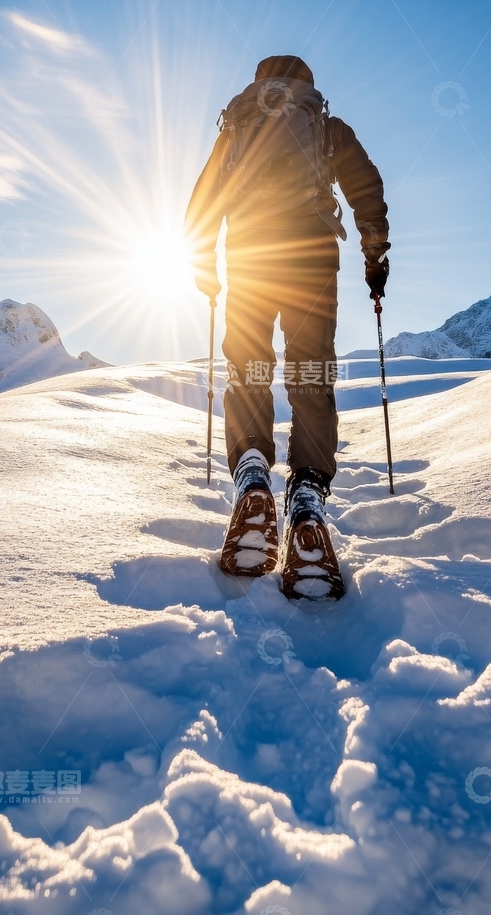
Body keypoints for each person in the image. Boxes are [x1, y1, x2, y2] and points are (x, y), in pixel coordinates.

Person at [184, 55, 389, 601]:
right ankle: (306, 501)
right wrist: (374, 252)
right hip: (312, 258)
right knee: (310, 374)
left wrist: (204, 263)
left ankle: (252, 476)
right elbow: (365, 186)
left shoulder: (238, 120)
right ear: (308, 84)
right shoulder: (324, 123)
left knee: (249, 370)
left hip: (250, 253)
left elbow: (203, 200)